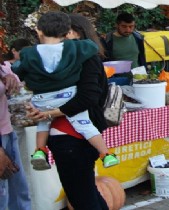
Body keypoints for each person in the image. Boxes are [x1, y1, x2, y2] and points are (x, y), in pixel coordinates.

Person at [26, 13, 110, 210]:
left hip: (73, 136)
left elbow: (87, 97)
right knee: (86, 193)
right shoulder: (67, 59)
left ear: (73, 33)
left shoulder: (85, 59)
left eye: (60, 34)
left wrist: (48, 113)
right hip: (71, 136)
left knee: (82, 197)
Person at [16, 12, 118, 171]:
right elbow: (91, 46)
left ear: (39, 31)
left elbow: (19, 70)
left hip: (42, 99)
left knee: (43, 123)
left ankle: (39, 151)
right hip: (67, 96)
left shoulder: (29, 53)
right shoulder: (75, 48)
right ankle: (106, 154)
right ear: (66, 32)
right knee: (86, 126)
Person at [0, 61, 31, 210]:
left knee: (18, 190)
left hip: (7, 133)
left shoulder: (3, 67)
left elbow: (18, 87)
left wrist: (9, 76)